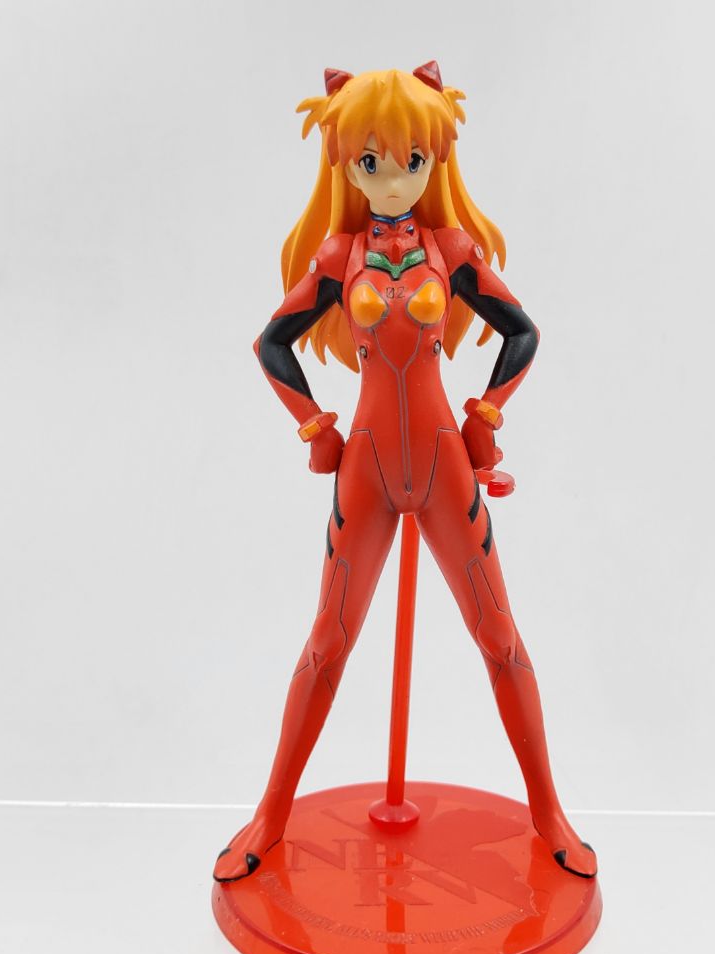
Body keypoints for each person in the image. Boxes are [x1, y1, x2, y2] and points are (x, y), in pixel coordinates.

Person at [214, 62, 597, 882]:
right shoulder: (338, 255)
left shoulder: (449, 251)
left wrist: (487, 412)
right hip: (365, 470)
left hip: (443, 463)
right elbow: (271, 343)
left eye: (411, 160)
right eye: (372, 161)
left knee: (499, 637)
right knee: (326, 643)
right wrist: (313, 423)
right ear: (346, 165)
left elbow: (521, 332)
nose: (393, 179)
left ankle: (549, 812)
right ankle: (270, 814)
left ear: (435, 159)